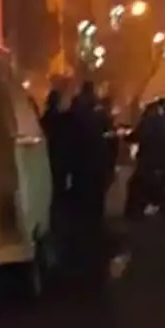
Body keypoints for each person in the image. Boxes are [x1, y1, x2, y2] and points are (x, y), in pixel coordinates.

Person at [67, 81, 111, 225]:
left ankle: (80, 219)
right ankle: (95, 221)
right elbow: (107, 130)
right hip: (96, 155)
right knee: (96, 190)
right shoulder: (98, 112)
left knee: (81, 187)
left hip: (79, 156)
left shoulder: (76, 110)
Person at [40, 90, 71, 211]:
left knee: (54, 180)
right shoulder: (61, 117)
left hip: (51, 151)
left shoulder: (46, 117)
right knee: (59, 181)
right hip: (60, 152)